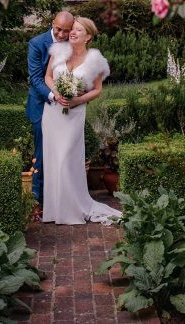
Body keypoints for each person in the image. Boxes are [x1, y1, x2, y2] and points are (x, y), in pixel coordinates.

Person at [41, 16, 121, 225]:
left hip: (74, 115)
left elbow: (97, 90)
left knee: (67, 158)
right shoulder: (58, 51)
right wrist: (57, 92)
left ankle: (71, 209)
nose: (73, 33)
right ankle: (54, 211)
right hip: (52, 113)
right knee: (54, 160)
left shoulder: (95, 61)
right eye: (72, 29)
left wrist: (78, 100)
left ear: (88, 37)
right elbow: (48, 77)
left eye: (78, 30)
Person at [26, 11, 74, 204]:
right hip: (41, 103)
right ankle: (37, 198)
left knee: (63, 150)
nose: (62, 34)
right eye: (58, 29)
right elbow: (36, 78)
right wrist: (54, 95)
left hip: (66, 106)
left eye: (66, 31)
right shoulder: (37, 43)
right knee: (42, 150)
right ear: (52, 23)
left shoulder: (73, 43)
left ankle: (59, 195)